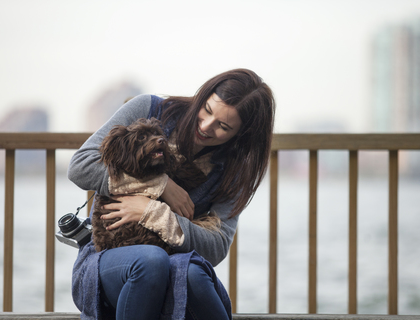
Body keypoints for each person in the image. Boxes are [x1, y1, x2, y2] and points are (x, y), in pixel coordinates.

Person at [67, 68, 275, 320]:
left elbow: (217, 246)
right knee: (151, 261)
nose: (206, 127)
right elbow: (80, 166)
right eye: (207, 110)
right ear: (202, 96)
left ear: (241, 135)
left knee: (194, 273)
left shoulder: (233, 171)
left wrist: (153, 213)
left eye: (222, 126)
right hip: (106, 260)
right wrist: (160, 185)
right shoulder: (148, 108)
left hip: (172, 264)